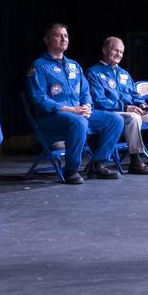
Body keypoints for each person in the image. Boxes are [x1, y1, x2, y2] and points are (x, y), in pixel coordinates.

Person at [26, 23, 125, 184]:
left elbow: (85, 91)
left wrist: (87, 106)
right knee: (78, 122)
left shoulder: (74, 65)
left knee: (115, 120)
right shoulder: (39, 66)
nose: (63, 38)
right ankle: (71, 170)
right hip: (51, 118)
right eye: (58, 35)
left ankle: (97, 165)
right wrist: (70, 109)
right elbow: (39, 99)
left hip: (77, 113)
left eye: (65, 35)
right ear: (47, 40)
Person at [86, 36, 148, 174]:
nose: (119, 54)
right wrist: (125, 107)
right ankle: (135, 160)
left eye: (121, 52)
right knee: (134, 117)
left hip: (133, 110)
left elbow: (135, 95)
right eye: (115, 50)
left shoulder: (124, 74)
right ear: (105, 50)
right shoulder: (94, 72)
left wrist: (141, 105)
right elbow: (99, 101)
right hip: (112, 113)